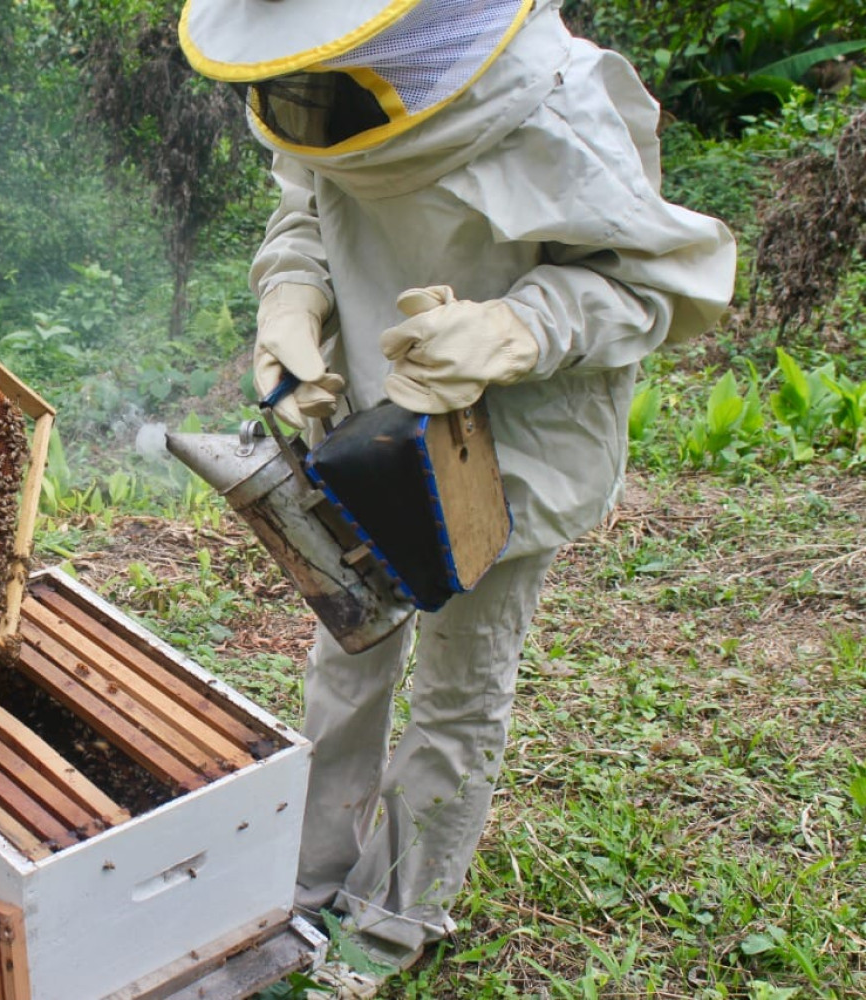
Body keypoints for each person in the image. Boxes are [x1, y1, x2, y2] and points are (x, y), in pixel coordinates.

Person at [178, 0, 736, 994]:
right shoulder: (315, 71)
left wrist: (515, 331)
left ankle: (392, 916)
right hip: (355, 426)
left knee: (460, 679)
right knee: (347, 650)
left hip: (505, 448)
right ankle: (307, 881)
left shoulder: (557, 102)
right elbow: (308, 200)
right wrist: (291, 298)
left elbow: (656, 286)